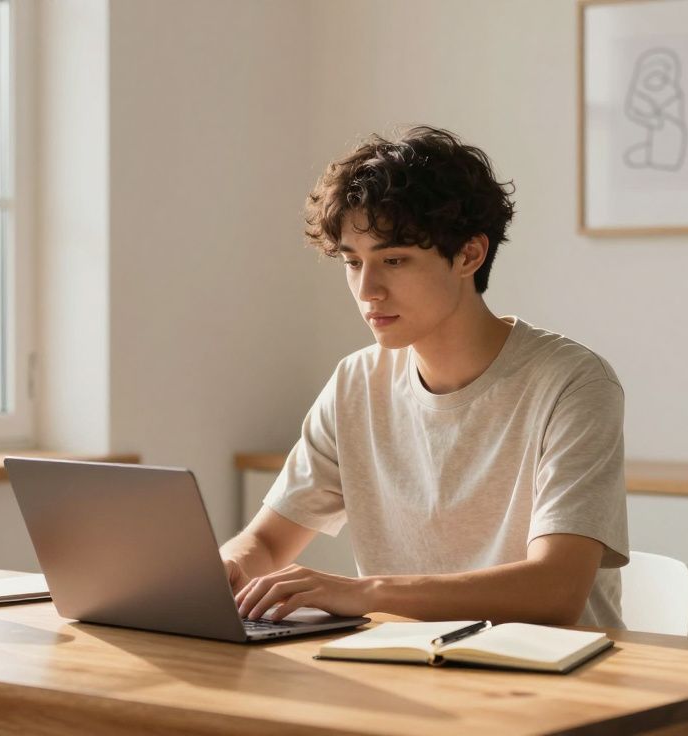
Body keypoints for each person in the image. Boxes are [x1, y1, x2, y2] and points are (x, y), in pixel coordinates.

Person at [220, 126, 628, 628]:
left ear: (469, 256)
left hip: (556, 681)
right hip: (408, 673)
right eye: (353, 263)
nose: (368, 290)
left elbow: (555, 589)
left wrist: (362, 592)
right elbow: (265, 541)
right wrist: (223, 571)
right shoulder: (356, 383)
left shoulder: (573, 383)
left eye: (394, 260)